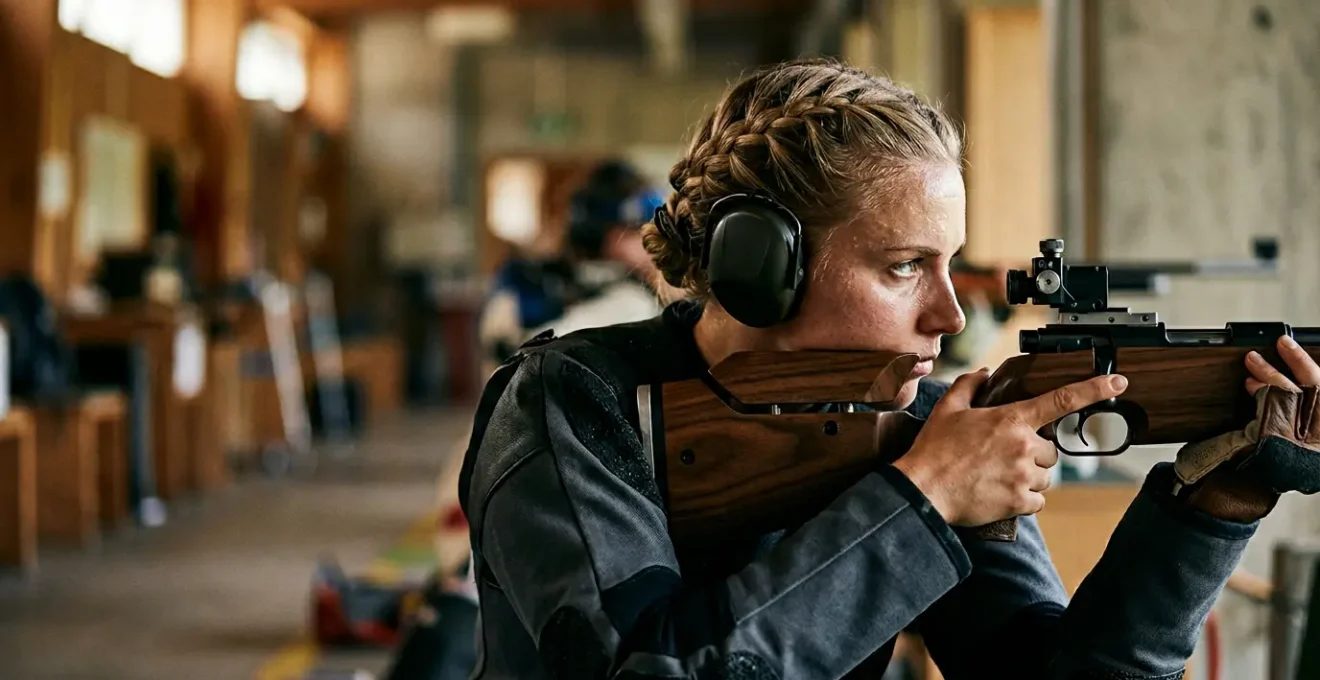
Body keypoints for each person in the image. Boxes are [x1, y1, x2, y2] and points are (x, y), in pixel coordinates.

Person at [456, 58, 1320, 679]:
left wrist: (1217, 503)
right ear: (761, 270)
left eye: (949, 266)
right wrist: (923, 500)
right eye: (905, 267)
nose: (950, 316)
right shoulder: (574, 403)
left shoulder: (919, 428)